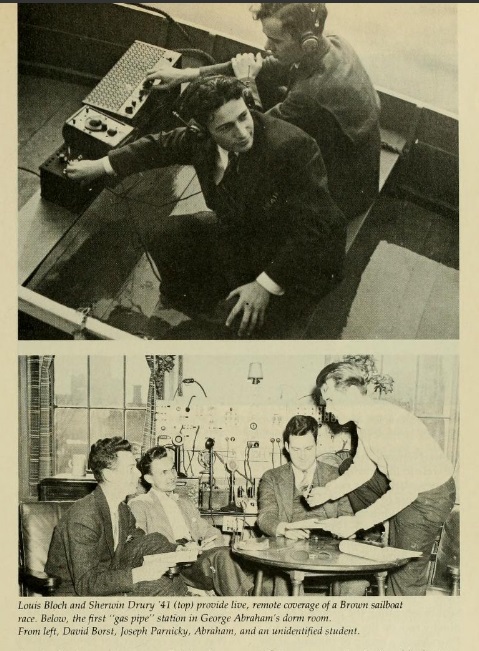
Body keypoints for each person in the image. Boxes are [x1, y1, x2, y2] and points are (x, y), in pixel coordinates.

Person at [64, 75, 346, 339]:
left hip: (298, 266)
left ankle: (225, 316)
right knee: (163, 236)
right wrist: (101, 166)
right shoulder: (199, 140)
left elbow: (319, 227)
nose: (242, 132)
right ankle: (193, 301)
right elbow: (159, 146)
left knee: (220, 329)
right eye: (226, 127)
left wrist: (265, 285)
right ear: (203, 129)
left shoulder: (292, 147)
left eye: (243, 117)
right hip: (247, 235)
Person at [146, 3, 381, 220]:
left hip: (343, 195)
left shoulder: (310, 95)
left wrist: (247, 83)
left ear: (306, 42)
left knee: (231, 145)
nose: (267, 47)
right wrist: (186, 74)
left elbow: (256, 134)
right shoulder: (333, 43)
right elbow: (269, 66)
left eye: (275, 41)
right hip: (358, 167)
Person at [306, 362, 456, 596]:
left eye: (332, 401)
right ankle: (377, 529)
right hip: (409, 487)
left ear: (353, 393)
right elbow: (362, 470)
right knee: (347, 468)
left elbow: (405, 491)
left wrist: (356, 522)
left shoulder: (386, 425)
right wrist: (328, 491)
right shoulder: (366, 420)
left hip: (429, 496)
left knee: (402, 571)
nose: (329, 409)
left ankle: (405, 626)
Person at [44, 437, 190, 596]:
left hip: (109, 572)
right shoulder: (83, 516)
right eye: (131, 468)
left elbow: (139, 541)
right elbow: (86, 584)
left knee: (156, 540)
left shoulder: (122, 509)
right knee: (160, 585)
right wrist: (140, 574)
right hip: (78, 593)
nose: (139, 473)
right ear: (109, 475)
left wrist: (178, 550)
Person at [257, 415, 369, 596]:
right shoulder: (272, 477)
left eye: (308, 448)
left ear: (317, 445)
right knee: (285, 582)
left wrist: (347, 527)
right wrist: (284, 529)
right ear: (286, 447)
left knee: (355, 583)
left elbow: (347, 514)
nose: (302, 456)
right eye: (296, 449)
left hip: (334, 548)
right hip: (290, 546)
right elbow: (265, 517)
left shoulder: (337, 475)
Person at [129, 446, 254, 596]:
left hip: (195, 562)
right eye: (164, 472)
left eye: (173, 469)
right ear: (149, 478)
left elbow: (209, 531)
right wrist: (181, 548)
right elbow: (139, 546)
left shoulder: (184, 503)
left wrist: (209, 542)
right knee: (223, 557)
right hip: (171, 567)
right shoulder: (140, 504)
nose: (172, 476)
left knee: (231, 556)